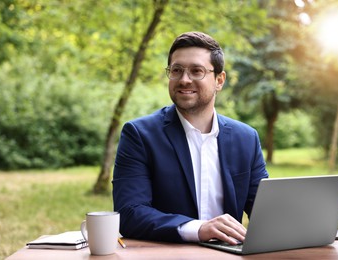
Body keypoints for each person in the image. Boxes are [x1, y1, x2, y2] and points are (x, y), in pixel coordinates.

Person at [112, 31, 268, 245]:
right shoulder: (139, 134)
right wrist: (198, 229)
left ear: (219, 80)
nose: (184, 80)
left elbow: (265, 212)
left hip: (228, 255)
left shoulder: (246, 138)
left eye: (197, 71)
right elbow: (129, 213)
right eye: (176, 70)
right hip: (167, 255)